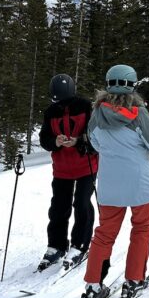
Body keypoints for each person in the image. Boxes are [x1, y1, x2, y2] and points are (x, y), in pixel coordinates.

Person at [80, 64, 149, 298]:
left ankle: (93, 285)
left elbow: (95, 143)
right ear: (133, 85)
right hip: (139, 182)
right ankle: (134, 278)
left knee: (105, 234)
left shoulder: (97, 114)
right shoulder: (137, 113)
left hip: (109, 183)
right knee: (141, 229)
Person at [37, 73, 98, 270]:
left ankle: (80, 244)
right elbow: (44, 137)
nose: (60, 105)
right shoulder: (51, 111)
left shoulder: (85, 106)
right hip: (62, 167)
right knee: (58, 207)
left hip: (86, 164)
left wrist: (79, 141)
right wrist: (55, 141)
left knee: (81, 202)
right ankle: (56, 245)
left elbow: (96, 134)